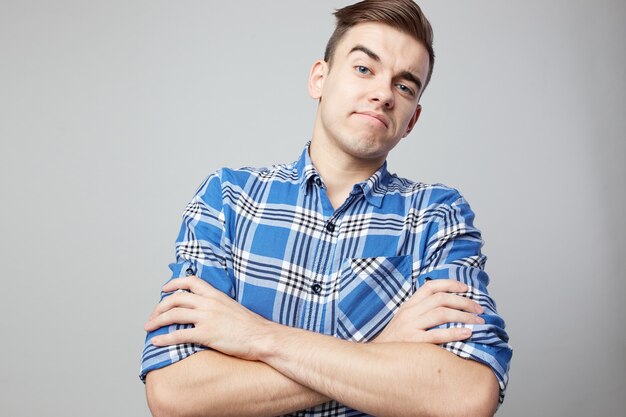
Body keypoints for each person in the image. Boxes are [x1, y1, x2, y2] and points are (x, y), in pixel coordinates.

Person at [140, 1, 512, 416]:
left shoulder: (438, 216)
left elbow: (465, 397)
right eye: (364, 69)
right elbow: (176, 395)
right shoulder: (228, 198)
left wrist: (260, 337)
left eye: (405, 86)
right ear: (320, 77)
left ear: (412, 120)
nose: (383, 94)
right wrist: (383, 348)